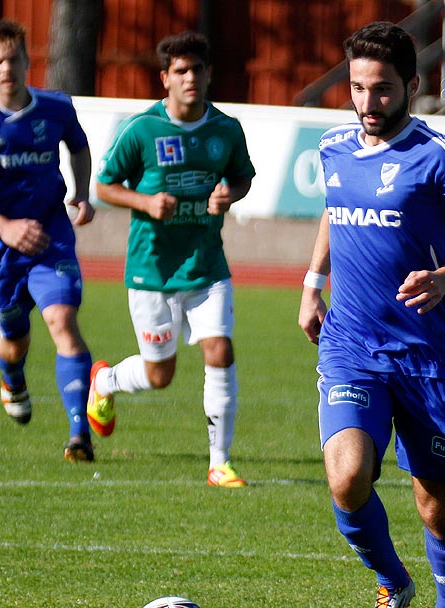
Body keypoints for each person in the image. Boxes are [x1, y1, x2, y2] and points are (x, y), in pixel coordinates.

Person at [298, 22, 445, 608]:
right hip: (351, 344)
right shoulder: (335, 148)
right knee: (347, 477)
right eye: (359, 88)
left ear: (412, 87)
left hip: (427, 357)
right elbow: (336, 208)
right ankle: (393, 582)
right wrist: (313, 282)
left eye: (383, 89)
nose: (368, 102)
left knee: (437, 506)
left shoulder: (438, 157)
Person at [88, 30, 255, 488]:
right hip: (152, 269)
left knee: (219, 349)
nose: (190, 78)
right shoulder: (143, 129)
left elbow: (242, 177)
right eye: (180, 70)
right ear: (165, 78)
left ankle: (219, 463)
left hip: (206, 265)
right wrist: (143, 203)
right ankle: (103, 383)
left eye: (197, 69)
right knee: (160, 374)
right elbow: (103, 186)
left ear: (208, 74)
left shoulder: (226, 129)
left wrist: (229, 193)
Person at [0, 19, 96, 461]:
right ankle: (12, 375)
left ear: (27, 61)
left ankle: (79, 436)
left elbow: (77, 146)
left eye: (14, 59)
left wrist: (80, 192)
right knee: (14, 338)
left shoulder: (56, 108)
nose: (7, 69)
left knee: (62, 321)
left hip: (49, 237)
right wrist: (3, 226)